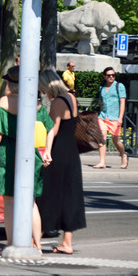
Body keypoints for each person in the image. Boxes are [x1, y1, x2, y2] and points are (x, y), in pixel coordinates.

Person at [0, 66, 54, 253]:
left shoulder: (4, 102)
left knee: (9, 202)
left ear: (10, 82)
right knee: (30, 202)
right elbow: (50, 128)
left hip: (8, 153)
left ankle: (10, 244)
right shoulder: (36, 104)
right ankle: (38, 246)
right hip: (30, 154)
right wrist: (47, 151)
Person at [38, 69, 86, 254]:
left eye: (42, 88)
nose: (42, 92)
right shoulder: (70, 98)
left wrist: (47, 152)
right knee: (69, 196)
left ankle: (35, 239)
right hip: (71, 151)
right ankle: (67, 242)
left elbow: (53, 130)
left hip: (59, 152)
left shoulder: (58, 102)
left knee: (47, 194)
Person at [93, 66, 128, 169]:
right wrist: (100, 114)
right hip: (103, 117)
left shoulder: (119, 86)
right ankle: (102, 162)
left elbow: (122, 102)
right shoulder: (102, 88)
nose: (111, 77)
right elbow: (101, 103)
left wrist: (120, 118)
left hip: (114, 117)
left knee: (115, 140)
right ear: (104, 76)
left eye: (113, 75)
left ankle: (123, 155)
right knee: (102, 137)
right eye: (109, 75)